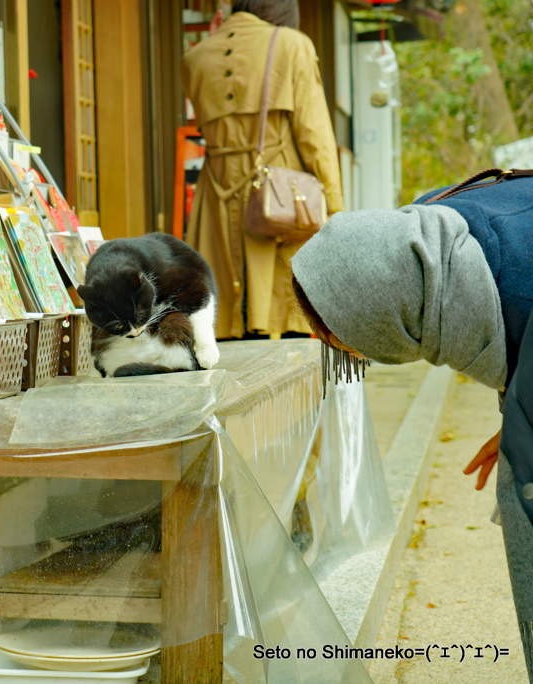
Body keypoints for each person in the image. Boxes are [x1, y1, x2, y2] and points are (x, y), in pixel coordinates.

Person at [289, 172, 533, 681]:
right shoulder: (433, 241)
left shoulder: (516, 286)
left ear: (384, 320)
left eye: (347, 342)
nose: (353, 355)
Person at [181, 0, 343, 340]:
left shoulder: (194, 59)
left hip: (216, 200)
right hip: (280, 201)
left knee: (224, 325)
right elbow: (315, 137)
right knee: (285, 322)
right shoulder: (291, 44)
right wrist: (335, 208)